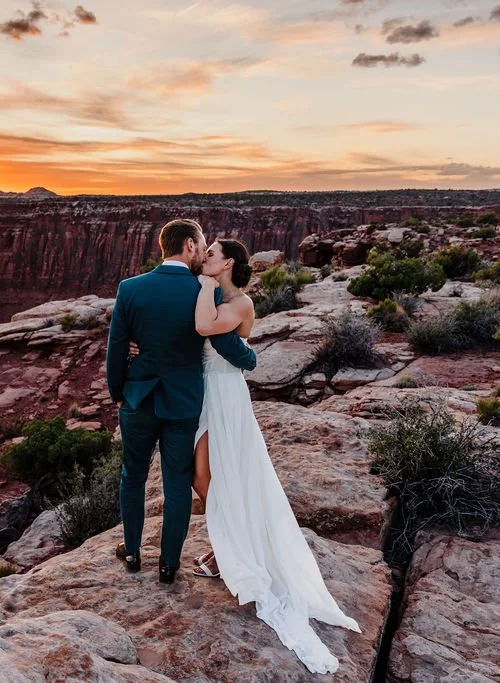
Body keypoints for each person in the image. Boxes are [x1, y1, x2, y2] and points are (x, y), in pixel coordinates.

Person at [188, 238, 361, 674]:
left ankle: (226, 550)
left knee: (233, 474)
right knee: (201, 474)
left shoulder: (241, 302)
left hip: (226, 394)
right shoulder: (206, 290)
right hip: (203, 393)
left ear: (227, 261)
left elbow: (207, 329)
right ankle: (229, 542)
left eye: (210, 254)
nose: (203, 257)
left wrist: (206, 287)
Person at [105, 219, 257, 586]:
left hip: (139, 397)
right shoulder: (204, 291)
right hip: (185, 399)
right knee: (176, 480)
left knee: (133, 475)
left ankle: (133, 551)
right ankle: (168, 564)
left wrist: (119, 391)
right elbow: (223, 343)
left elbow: (116, 349)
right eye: (201, 244)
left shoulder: (131, 288)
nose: (203, 252)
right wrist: (250, 358)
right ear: (188, 245)